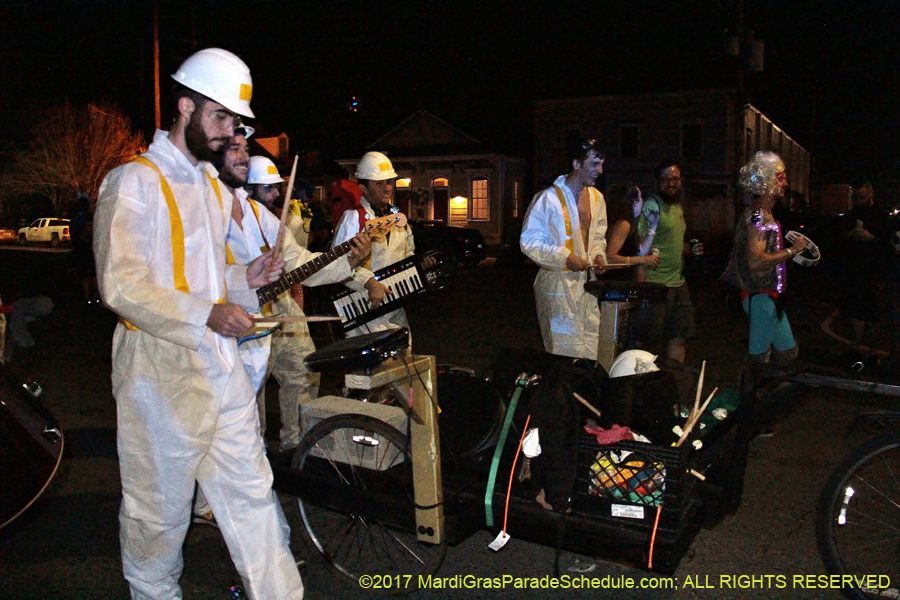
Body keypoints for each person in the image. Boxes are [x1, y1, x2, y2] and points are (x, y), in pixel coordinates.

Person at [93, 48, 304, 599]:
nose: (227, 134)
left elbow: (208, 278)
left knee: (254, 498)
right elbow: (121, 286)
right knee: (157, 519)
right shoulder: (130, 183)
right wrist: (208, 312)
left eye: (235, 123)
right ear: (184, 107)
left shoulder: (212, 189)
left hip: (219, 367)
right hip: (157, 376)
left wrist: (246, 278)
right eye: (219, 118)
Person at [241, 155, 375, 453]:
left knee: (303, 368)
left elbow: (302, 264)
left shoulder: (272, 224)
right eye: (268, 188)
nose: (277, 193)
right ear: (248, 190)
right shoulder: (228, 220)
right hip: (246, 317)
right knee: (253, 387)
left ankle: (296, 440)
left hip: (281, 305)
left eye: (278, 186)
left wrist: (350, 260)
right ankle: (254, 451)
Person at [520, 138, 609, 360]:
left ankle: (586, 393)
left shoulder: (597, 198)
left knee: (593, 347)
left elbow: (598, 234)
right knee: (564, 353)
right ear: (576, 163)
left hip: (587, 285)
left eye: (601, 164)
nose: (600, 170)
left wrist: (598, 254)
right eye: (594, 164)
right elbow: (529, 241)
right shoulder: (547, 199)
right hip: (557, 287)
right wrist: (565, 257)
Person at [723, 151, 807, 364]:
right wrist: (792, 251)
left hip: (768, 297)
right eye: (780, 177)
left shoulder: (764, 215)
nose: (786, 183)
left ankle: (770, 394)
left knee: (788, 353)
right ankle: (748, 395)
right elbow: (755, 262)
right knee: (758, 359)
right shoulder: (758, 217)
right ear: (767, 181)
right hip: (759, 297)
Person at [331, 151, 418, 339]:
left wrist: (420, 268)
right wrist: (368, 282)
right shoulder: (354, 219)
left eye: (388, 182)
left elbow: (408, 254)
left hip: (395, 305)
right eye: (379, 183)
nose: (387, 188)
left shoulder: (398, 219)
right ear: (363, 187)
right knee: (377, 364)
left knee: (405, 358)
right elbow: (337, 265)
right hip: (363, 305)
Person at [634, 160, 702, 366]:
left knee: (679, 339)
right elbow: (639, 250)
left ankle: (674, 384)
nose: (671, 184)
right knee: (645, 344)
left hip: (678, 284)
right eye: (666, 180)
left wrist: (691, 250)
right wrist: (641, 290)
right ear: (658, 182)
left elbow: (674, 244)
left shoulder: (677, 207)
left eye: (675, 179)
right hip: (655, 284)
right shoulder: (651, 206)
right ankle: (638, 385)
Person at [841, 179, 888, 356]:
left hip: (873, 270)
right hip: (854, 268)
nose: (858, 201)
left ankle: (873, 350)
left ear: (870, 195)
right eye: (856, 197)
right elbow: (840, 236)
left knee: (872, 314)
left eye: (862, 197)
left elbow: (887, 242)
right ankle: (855, 347)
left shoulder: (881, 214)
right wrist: (850, 235)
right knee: (854, 312)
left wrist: (871, 238)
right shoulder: (852, 214)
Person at [603, 182, 660, 281]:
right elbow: (610, 259)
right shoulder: (624, 225)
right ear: (634, 202)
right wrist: (642, 260)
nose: (643, 201)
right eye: (640, 198)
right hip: (617, 283)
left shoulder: (622, 222)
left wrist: (653, 225)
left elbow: (640, 252)